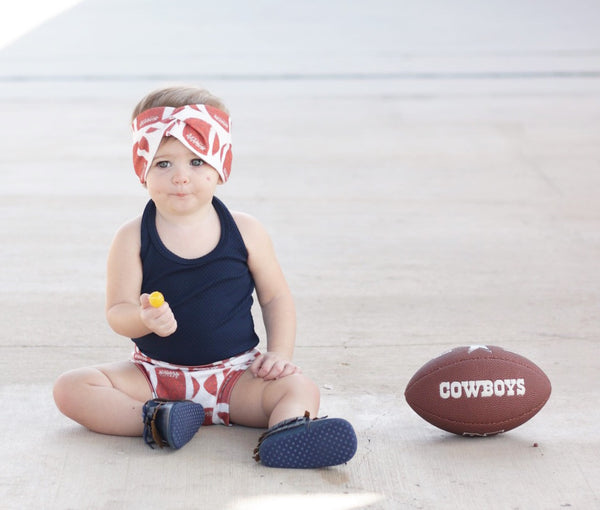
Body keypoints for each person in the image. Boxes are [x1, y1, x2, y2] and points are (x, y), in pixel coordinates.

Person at [53, 85, 357, 468]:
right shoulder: (131, 236)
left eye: (196, 162)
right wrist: (142, 318)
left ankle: (288, 432)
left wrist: (280, 354)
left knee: (300, 387)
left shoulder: (246, 230)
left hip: (236, 376)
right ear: (142, 168)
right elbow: (117, 310)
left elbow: (275, 297)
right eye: (164, 164)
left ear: (220, 166)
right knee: (71, 388)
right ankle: (157, 419)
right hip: (154, 378)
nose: (181, 177)